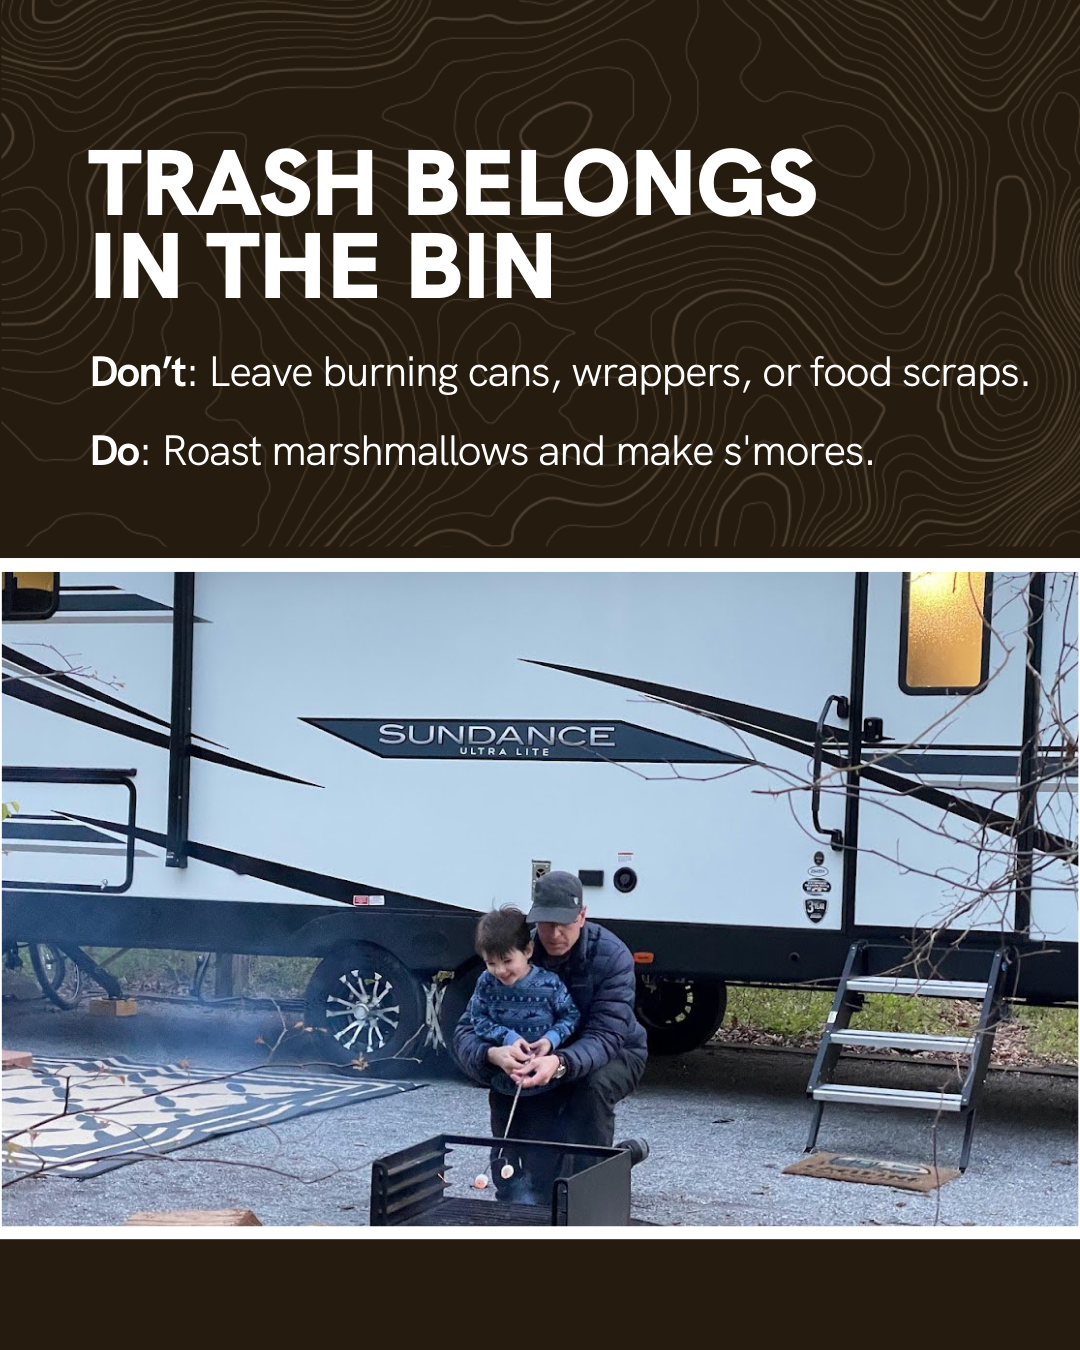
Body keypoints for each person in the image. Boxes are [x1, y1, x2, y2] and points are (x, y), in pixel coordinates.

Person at [453, 870, 648, 1201]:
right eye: (546, 924)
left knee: (592, 1087)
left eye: (565, 923)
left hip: (616, 1051)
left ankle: (590, 1189)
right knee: (515, 1093)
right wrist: (492, 1055)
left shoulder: (612, 956)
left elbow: (606, 1035)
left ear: (582, 916)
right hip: (535, 1057)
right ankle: (524, 1181)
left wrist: (559, 1062)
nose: (555, 934)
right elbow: (466, 1029)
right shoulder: (512, 952)